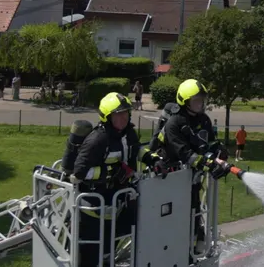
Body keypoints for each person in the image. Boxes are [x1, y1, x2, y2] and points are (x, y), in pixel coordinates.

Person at [153, 78, 229, 255]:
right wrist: (208, 164)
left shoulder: (204, 120)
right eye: (196, 101)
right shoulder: (174, 123)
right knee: (173, 216)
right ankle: (175, 250)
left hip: (191, 178)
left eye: (202, 100)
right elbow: (185, 153)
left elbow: (209, 143)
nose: (200, 104)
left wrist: (220, 152)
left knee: (193, 211)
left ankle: (194, 248)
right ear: (185, 102)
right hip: (170, 178)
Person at [72, 93, 142, 267]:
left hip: (115, 204)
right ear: (107, 116)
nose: (123, 117)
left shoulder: (128, 134)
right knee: (90, 256)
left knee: (109, 252)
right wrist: (110, 172)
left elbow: (137, 150)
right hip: (93, 209)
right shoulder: (97, 139)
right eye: (118, 114)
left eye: (125, 113)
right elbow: (80, 172)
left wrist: (153, 159)